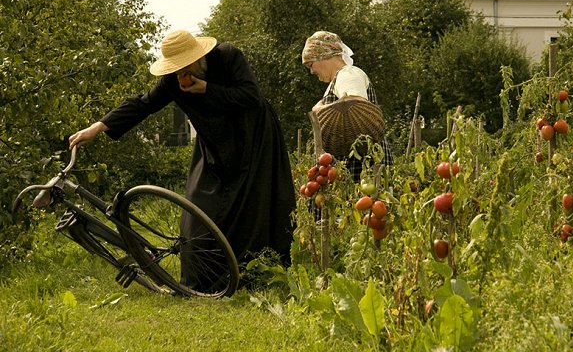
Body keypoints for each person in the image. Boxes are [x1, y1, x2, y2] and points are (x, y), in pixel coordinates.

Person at [69, 30, 296, 287]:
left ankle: (254, 275)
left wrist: (207, 89)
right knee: (200, 208)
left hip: (254, 140)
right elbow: (143, 104)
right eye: (174, 69)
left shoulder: (228, 56)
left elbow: (251, 96)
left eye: (183, 67)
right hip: (215, 145)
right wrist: (98, 127)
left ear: (198, 57)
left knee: (252, 207)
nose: (180, 75)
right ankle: (201, 281)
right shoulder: (172, 81)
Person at [302, 31, 392, 182]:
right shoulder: (340, 78)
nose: (312, 71)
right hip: (358, 161)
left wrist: (319, 110)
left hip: (363, 165)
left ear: (324, 55)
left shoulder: (348, 74)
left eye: (311, 64)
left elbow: (354, 104)